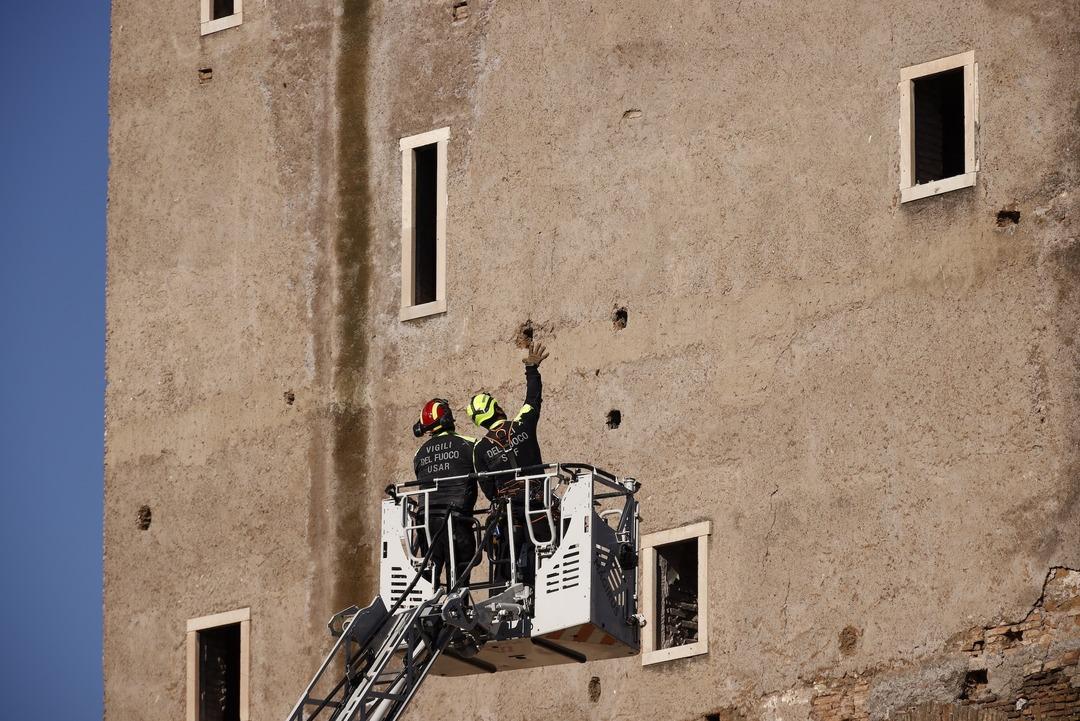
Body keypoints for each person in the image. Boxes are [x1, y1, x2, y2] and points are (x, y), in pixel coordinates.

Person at [467, 342, 550, 584]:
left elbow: (488, 488)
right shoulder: (522, 424)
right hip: (538, 506)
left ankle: (502, 590)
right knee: (546, 554)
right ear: (497, 409)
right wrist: (532, 369)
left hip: (507, 515)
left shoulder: (480, 449)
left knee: (503, 564)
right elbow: (533, 399)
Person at [411, 398, 478, 590]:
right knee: (458, 577)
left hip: (426, 523)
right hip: (457, 520)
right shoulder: (470, 444)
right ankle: (458, 605)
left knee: (429, 577)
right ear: (447, 418)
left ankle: (430, 604)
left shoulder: (419, 453)